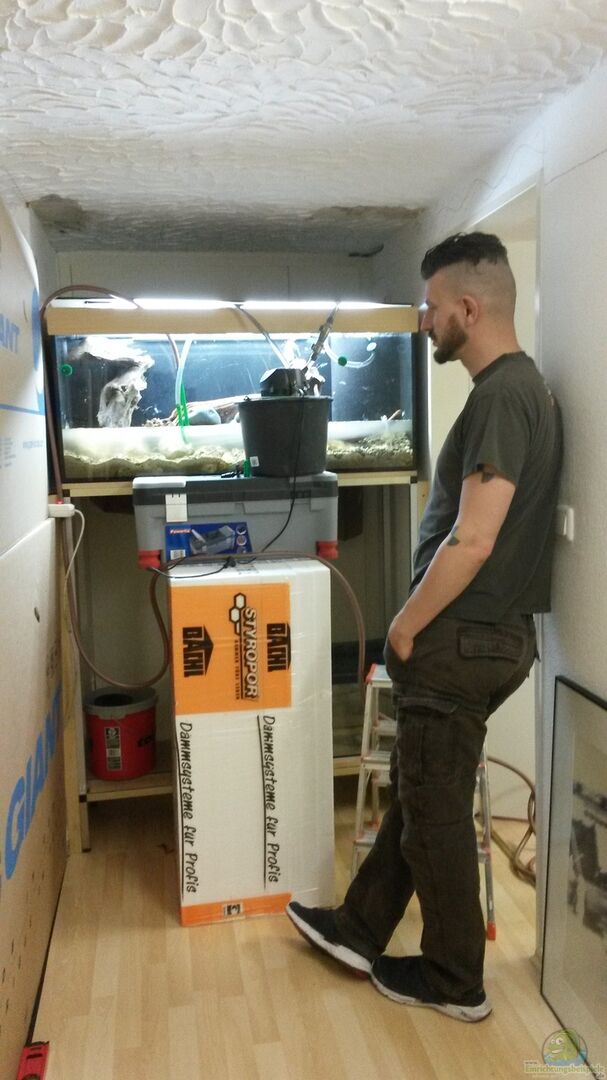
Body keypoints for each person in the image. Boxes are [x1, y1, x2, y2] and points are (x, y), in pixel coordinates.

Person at [286, 231, 563, 1023]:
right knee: (422, 790)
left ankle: (453, 981)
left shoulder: (503, 396)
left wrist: (403, 627)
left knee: (433, 813)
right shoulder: (517, 390)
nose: (422, 320)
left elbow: (472, 538)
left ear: (467, 309)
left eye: (431, 306)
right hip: (485, 635)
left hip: (461, 636)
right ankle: (359, 928)